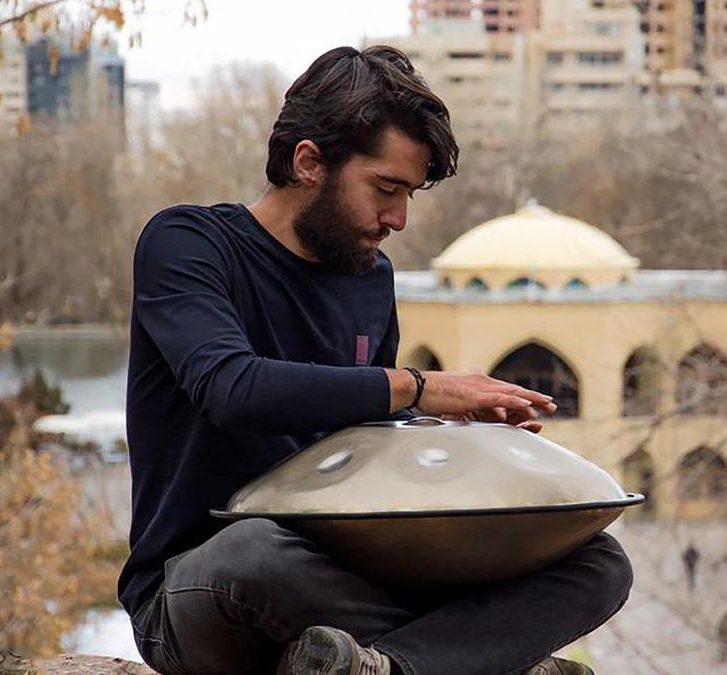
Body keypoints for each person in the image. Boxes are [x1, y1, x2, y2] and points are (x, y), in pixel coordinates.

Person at [119, 46, 632, 675]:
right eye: (386, 189)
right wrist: (417, 388)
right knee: (252, 552)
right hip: (208, 587)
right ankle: (474, 662)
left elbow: (365, 446)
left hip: (354, 587)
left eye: (409, 194)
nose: (399, 218)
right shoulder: (187, 244)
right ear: (309, 162)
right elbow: (233, 389)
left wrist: (462, 445)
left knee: (600, 562)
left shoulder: (370, 278)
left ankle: (387, 668)